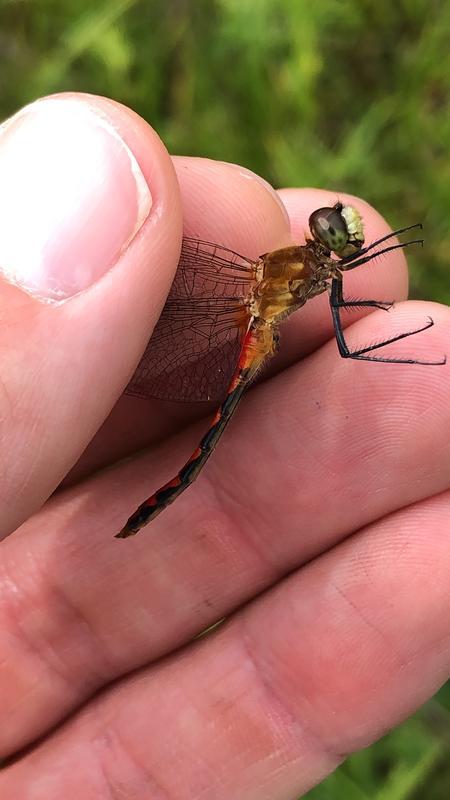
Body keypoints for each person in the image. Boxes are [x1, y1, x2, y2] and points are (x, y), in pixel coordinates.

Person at [0, 93, 449, 799]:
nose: (344, 237)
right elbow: (346, 328)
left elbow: (342, 299)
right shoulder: (299, 272)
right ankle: (159, 501)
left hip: (252, 323)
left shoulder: (309, 266)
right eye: (339, 235)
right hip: (245, 333)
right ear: (325, 247)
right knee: (332, 369)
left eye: (343, 235)